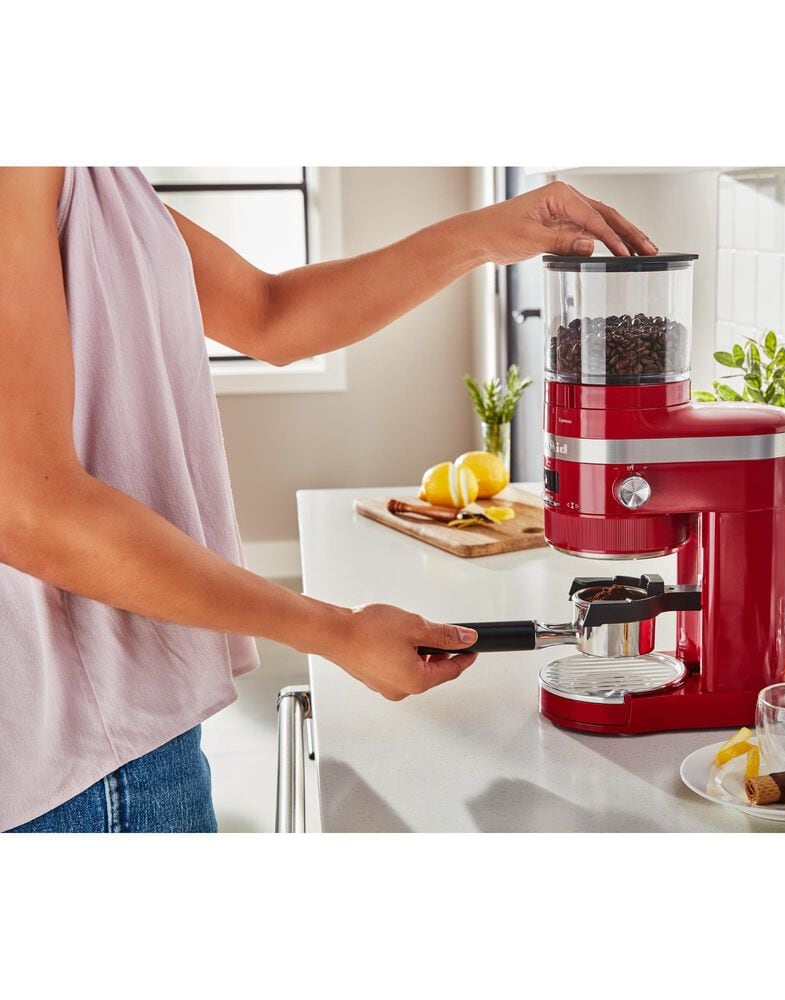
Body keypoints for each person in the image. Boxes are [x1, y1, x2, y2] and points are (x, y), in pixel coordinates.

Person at [0, 167, 658, 833]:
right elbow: (29, 512)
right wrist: (337, 633)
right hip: (81, 747)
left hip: (120, 710)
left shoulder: (93, 171)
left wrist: (484, 235)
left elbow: (269, 313)